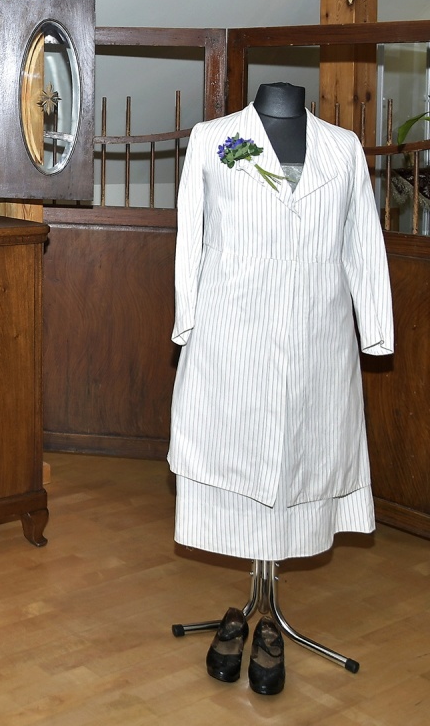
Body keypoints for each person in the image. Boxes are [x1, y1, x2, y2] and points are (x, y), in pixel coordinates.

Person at [168, 82, 394, 694]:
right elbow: (191, 236)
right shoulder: (214, 140)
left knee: (304, 458)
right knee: (236, 451)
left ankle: (267, 616)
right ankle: (248, 609)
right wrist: (187, 320)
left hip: (319, 339)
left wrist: (376, 329)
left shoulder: (343, 149)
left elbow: (362, 244)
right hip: (232, 335)